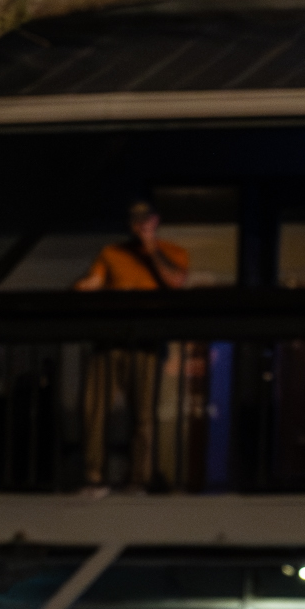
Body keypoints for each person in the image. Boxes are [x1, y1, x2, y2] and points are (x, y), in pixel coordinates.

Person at [75, 201, 190, 491]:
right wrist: (79, 290)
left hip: (145, 342)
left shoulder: (174, 253)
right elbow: (93, 281)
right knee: (95, 408)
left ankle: (139, 477)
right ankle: (93, 474)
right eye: (135, 221)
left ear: (155, 221)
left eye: (145, 220)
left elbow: (175, 281)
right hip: (109, 340)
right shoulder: (112, 252)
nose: (140, 226)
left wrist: (152, 249)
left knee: (143, 414)